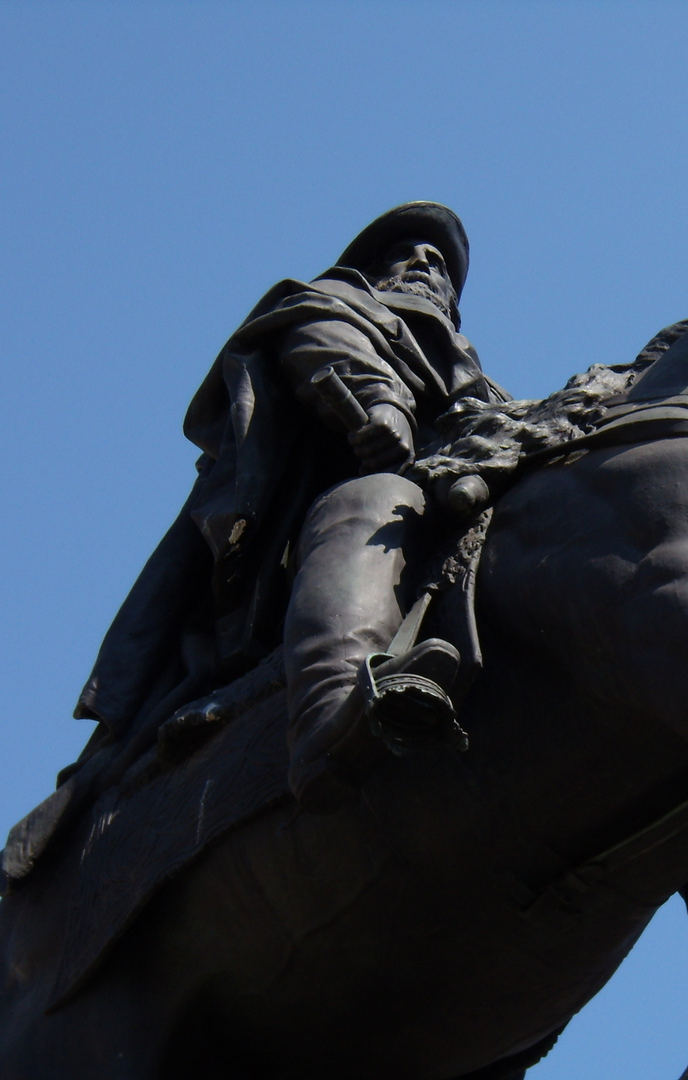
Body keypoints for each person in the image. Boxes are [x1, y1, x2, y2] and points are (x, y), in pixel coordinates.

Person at [74, 201, 505, 810]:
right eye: (404, 254)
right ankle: (332, 723)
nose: (423, 264)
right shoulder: (334, 303)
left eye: (437, 262)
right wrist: (381, 402)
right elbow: (320, 338)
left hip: (459, 504)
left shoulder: (476, 378)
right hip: (317, 525)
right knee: (376, 504)